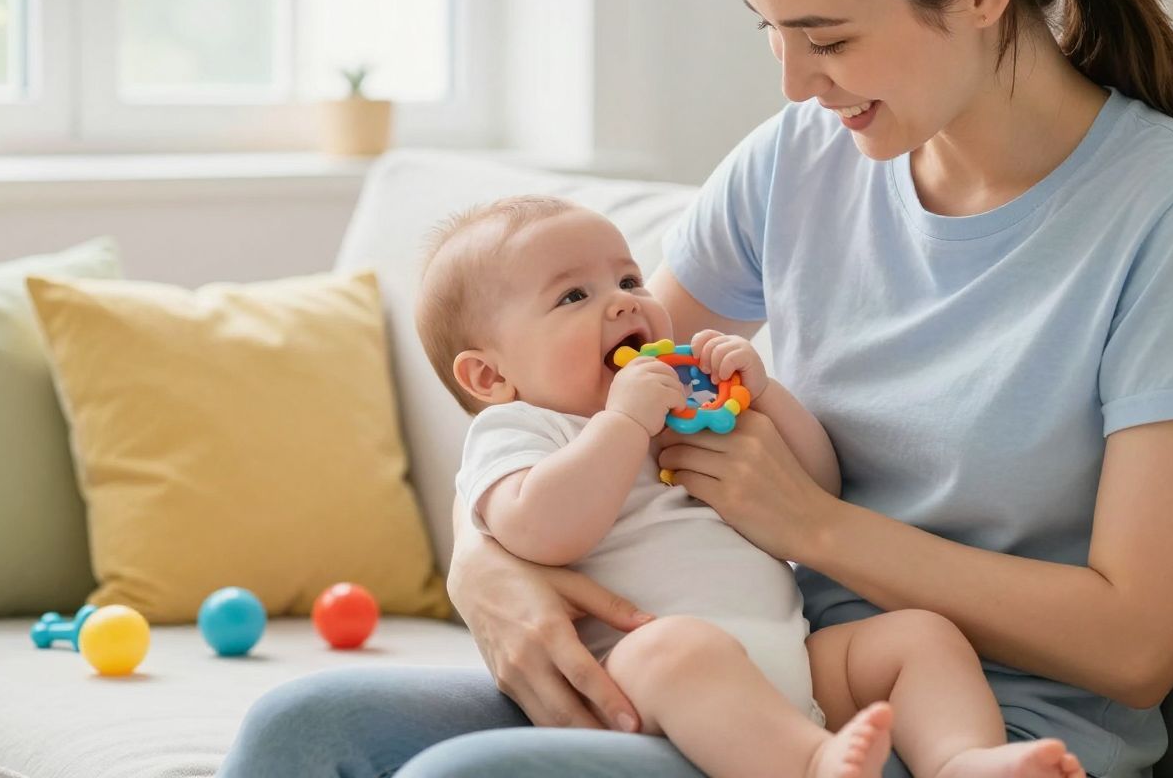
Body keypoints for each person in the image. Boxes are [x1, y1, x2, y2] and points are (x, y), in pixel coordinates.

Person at [218, 0, 1173, 774]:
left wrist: (815, 526)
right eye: (769, 31)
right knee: (305, 728)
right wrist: (482, 561)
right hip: (749, 687)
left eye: (827, 35)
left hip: (973, 731)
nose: (795, 85)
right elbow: (592, 394)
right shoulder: (802, 159)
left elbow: (1137, 641)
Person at [405, 193, 1085, 778]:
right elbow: (541, 529)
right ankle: (812, 764)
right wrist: (622, 424)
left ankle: (958, 760)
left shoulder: (684, 406)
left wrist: (765, 397)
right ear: (489, 377)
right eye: (574, 296)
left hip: (792, 661)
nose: (621, 304)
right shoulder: (522, 430)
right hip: (648, 685)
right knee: (679, 649)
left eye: (630, 280)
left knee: (919, 637)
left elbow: (814, 484)